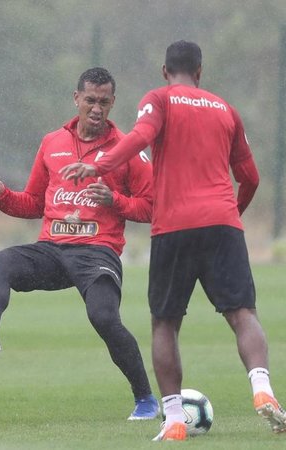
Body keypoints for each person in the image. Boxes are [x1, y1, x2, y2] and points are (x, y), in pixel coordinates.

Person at [60, 41, 286, 441]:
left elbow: (140, 137)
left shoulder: (159, 99)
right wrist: (231, 214)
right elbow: (250, 177)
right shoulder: (226, 109)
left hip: (174, 226)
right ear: (200, 72)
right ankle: (262, 388)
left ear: (166, 71)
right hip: (223, 223)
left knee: (165, 323)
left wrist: (99, 164)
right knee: (242, 314)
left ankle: (175, 417)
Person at [0, 68, 159, 420]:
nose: (96, 108)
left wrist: (114, 201)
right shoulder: (52, 143)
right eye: (90, 100)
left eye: (104, 102)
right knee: (0, 263)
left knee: (104, 317)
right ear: (76, 98)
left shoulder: (128, 149)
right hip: (52, 250)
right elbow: (33, 202)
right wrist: (4, 197)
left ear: (113, 103)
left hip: (97, 253)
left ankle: (146, 399)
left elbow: (152, 207)